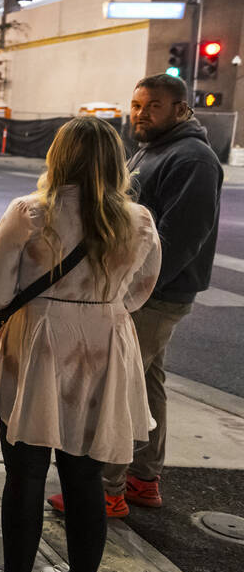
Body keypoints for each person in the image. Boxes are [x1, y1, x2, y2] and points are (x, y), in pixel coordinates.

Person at [0, 116, 160, 572]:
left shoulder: (31, 212)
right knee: (84, 474)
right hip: (103, 347)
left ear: (58, 157)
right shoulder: (138, 220)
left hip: (37, 343)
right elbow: (140, 293)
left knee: (26, 472)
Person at [48, 74, 223, 520]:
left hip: (155, 295)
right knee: (148, 383)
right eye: (137, 104)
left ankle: (107, 489)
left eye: (154, 106)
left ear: (181, 109)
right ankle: (144, 478)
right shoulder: (153, 149)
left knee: (118, 387)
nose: (141, 113)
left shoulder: (193, 158)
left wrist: (130, 287)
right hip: (145, 291)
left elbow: (182, 238)